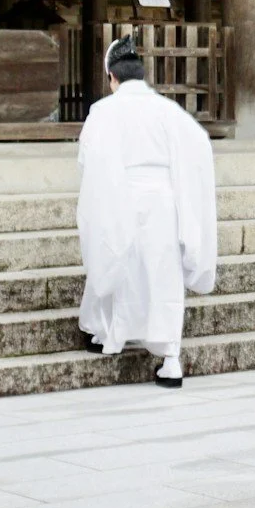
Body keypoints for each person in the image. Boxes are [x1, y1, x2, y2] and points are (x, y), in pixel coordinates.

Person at [76, 34, 218, 387]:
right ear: (141, 75)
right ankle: (171, 360)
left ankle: (108, 335)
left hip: (118, 195)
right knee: (162, 273)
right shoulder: (169, 112)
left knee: (114, 260)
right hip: (161, 201)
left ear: (112, 77)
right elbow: (198, 145)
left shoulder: (103, 111)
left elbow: (88, 158)